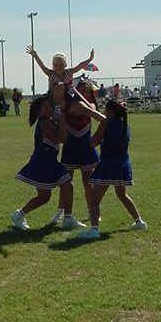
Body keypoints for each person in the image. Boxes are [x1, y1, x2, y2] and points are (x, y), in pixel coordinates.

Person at [11, 96, 86, 231]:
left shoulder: (50, 121)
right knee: (44, 197)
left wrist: (61, 120)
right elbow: (60, 139)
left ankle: (68, 218)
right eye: (45, 107)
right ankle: (19, 214)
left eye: (50, 106)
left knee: (68, 185)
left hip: (52, 161)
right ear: (38, 111)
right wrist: (62, 121)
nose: (49, 109)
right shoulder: (44, 123)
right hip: (42, 163)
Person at [78, 100, 148, 239]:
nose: (104, 111)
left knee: (94, 200)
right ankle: (139, 222)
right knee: (122, 195)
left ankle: (94, 230)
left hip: (108, 164)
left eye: (105, 109)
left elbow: (94, 142)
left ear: (110, 111)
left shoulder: (106, 122)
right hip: (122, 164)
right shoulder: (125, 124)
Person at [49, 80, 101, 225]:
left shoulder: (90, 104)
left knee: (88, 181)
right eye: (81, 89)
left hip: (85, 146)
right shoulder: (67, 103)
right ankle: (61, 212)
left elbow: (92, 110)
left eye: (86, 90)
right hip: (70, 145)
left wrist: (79, 95)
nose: (84, 92)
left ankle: (92, 211)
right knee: (65, 181)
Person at [26, 46, 105, 122]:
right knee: (60, 85)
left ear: (65, 65)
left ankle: (105, 119)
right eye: (56, 65)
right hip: (53, 97)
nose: (58, 67)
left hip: (70, 95)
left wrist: (90, 58)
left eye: (61, 65)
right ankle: (57, 109)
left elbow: (80, 65)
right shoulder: (50, 73)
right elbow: (41, 65)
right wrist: (35, 55)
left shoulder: (69, 72)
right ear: (53, 65)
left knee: (90, 108)